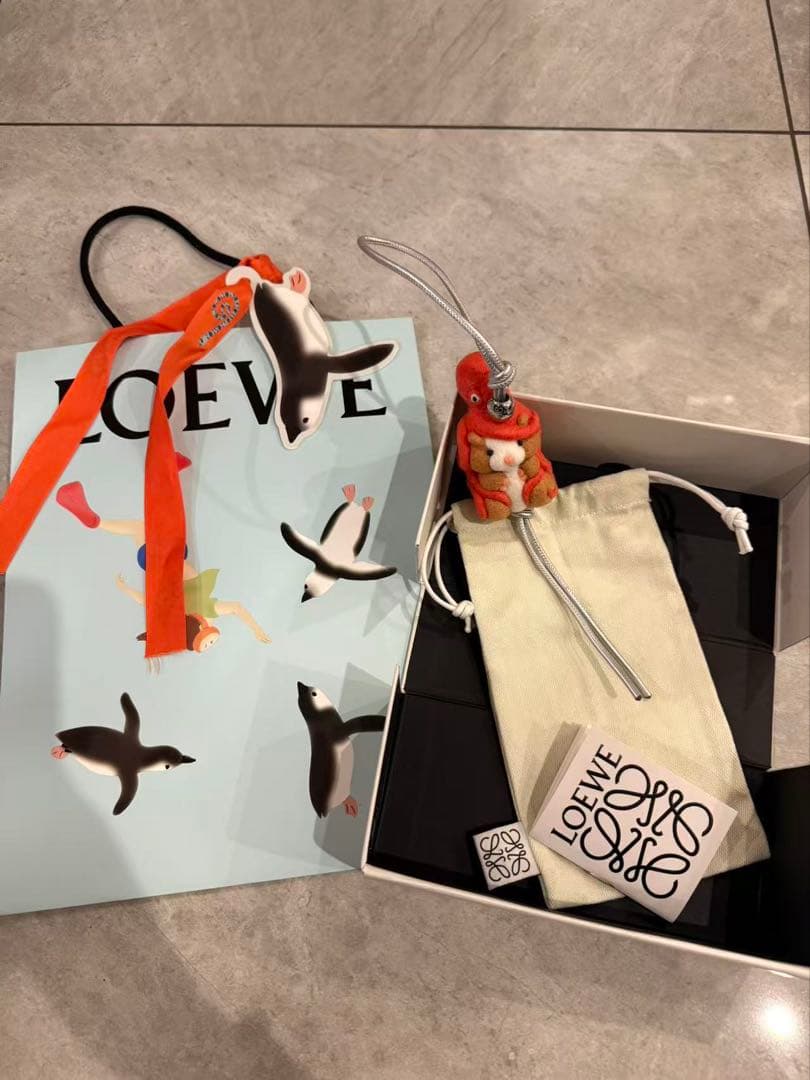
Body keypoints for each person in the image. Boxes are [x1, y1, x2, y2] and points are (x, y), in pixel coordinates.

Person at [55, 454, 271, 657]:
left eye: (206, 643)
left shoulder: (200, 612)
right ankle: (169, 473)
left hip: (164, 557)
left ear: (199, 629)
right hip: (170, 556)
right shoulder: (194, 612)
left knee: (146, 525)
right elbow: (235, 608)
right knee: (160, 520)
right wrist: (256, 629)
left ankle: (96, 521)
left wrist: (256, 629)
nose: (211, 642)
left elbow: (235, 608)